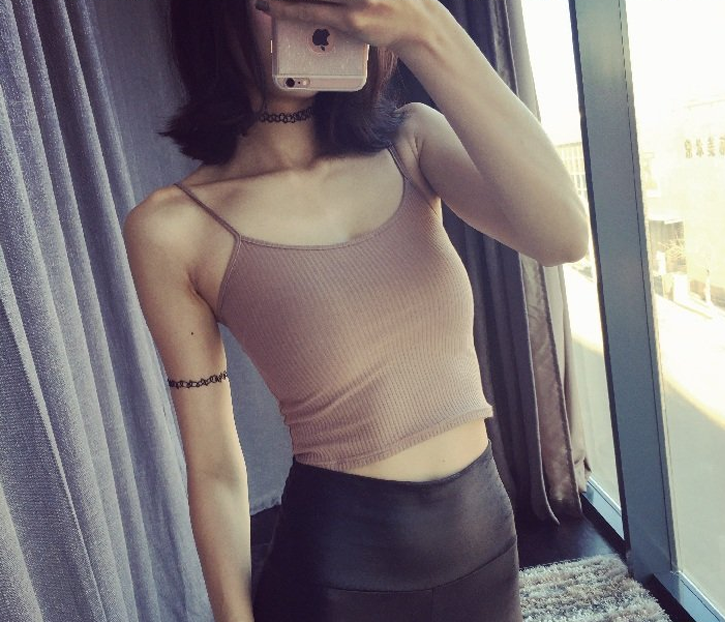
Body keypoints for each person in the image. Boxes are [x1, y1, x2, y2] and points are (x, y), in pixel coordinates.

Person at [123, 1, 589, 621]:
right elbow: (213, 466)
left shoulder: (412, 141)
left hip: (484, 540)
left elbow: (563, 236)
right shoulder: (173, 227)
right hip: (339, 575)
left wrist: (427, 27)